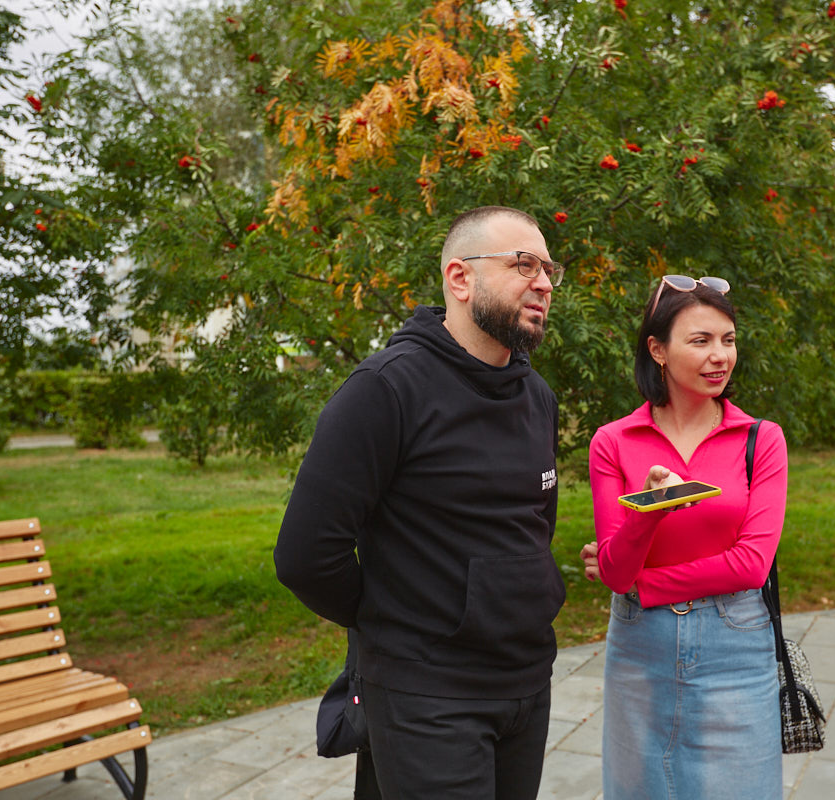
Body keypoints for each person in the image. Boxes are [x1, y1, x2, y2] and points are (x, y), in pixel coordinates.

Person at [275, 206, 566, 800]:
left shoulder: (537, 396)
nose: (543, 282)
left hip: (527, 682)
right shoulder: (386, 389)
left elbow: (535, 529)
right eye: (523, 264)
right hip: (427, 695)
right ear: (460, 279)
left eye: (549, 269)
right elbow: (306, 555)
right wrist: (396, 620)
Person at [580, 274, 788, 799]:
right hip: (638, 651)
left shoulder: (760, 439)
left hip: (736, 645)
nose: (720, 356)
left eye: (728, 339)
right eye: (700, 341)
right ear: (658, 350)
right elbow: (615, 572)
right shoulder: (614, 441)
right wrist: (649, 509)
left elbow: (750, 565)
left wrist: (644, 586)